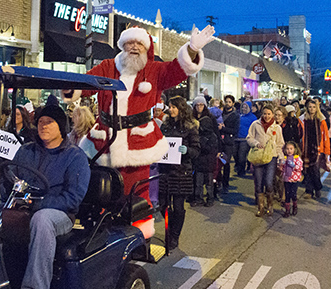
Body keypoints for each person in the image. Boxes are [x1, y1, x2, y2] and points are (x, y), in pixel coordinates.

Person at [67, 25, 212, 204]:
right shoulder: (107, 66)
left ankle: (137, 228)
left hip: (138, 142)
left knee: (136, 196)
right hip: (105, 141)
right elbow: (86, 84)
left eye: (139, 43)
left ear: (146, 47)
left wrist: (192, 50)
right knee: (102, 192)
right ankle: (102, 225)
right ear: (123, 45)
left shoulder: (155, 70)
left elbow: (178, 69)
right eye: (130, 43)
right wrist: (70, 87)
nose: (134, 47)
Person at [12, 104, 90, 289]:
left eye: (49, 122)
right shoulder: (26, 151)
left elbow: (73, 197)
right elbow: (8, 176)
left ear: (61, 127)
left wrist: (39, 204)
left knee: (42, 219)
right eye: (40, 122)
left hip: (59, 214)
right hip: (22, 209)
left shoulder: (75, 157)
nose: (43, 126)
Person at [158, 97, 200, 246]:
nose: (171, 109)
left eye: (174, 107)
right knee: (163, 204)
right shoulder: (165, 125)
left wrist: (187, 150)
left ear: (181, 108)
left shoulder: (190, 127)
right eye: (170, 106)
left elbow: (196, 150)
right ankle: (170, 229)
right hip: (165, 171)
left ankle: (174, 235)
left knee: (178, 206)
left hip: (181, 172)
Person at [247, 104, 285, 217]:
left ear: (272, 114)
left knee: (269, 182)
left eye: (269, 114)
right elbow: (249, 137)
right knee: (258, 183)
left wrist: (280, 156)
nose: (266, 116)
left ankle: (270, 205)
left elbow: (280, 143)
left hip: (271, 157)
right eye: (265, 114)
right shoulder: (255, 124)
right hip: (258, 157)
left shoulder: (277, 128)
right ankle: (261, 207)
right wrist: (255, 144)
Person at [192, 96, 220, 207]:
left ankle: (210, 197)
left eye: (201, 105)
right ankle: (197, 197)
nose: (199, 107)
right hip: (198, 153)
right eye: (197, 105)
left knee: (209, 180)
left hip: (208, 154)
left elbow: (216, 134)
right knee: (198, 179)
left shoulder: (210, 118)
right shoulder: (191, 117)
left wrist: (218, 150)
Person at [300, 100, 331, 200]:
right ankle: (309, 191)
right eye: (310, 107)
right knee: (307, 170)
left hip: (318, 149)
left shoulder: (321, 120)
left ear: (316, 108)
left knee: (315, 170)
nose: (312, 109)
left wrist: (327, 151)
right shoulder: (303, 120)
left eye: (313, 107)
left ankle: (317, 188)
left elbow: (326, 136)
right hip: (306, 148)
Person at [218, 95, 240, 193]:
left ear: (233, 103)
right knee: (218, 163)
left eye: (229, 102)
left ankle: (225, 184)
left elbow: (235, 130)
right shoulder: (220, 113)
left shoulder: (235, 115)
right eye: (226, 101)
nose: (227, 103)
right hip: (219, 141)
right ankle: (218, 182)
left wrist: (223, 129)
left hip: (228, 142)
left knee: (226, 163)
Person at [279, 141, 303, 217]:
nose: (289, 150)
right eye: (287, 149)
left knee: (293, 194)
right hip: (287, 179)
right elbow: (282, 169)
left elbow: (300, 168)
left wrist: (294, 166)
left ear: (294, 149)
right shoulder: (285, 158)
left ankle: (295, 207)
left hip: (294, 179)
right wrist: (281, 164)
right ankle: (287, 210)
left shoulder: (297, 158)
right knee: (287, 194)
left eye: (291, 149)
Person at [236, 101, 256, 177]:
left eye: (246, 107)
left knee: (242, 155)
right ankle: (239, 168)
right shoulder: (238, 115)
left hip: (245, 139)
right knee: (236, 155)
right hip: (236, 138)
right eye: (243, 107)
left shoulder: (253, 117)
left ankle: (241, 171)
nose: (244, 109)